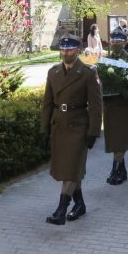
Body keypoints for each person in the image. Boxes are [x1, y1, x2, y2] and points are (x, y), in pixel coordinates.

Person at [40, 35, 103, 224]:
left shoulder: (88, 73)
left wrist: (94, 131)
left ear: (78, 50)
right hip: (59, 125)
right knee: (68, 169)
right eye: (63, 49)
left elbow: (96, 105)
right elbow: (47, 103)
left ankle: (61, 211)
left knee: (72, 168)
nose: (65, 52)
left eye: (69, 49)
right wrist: (44, 128)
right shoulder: (53, 72)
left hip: (78, 126)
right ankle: (80, 204)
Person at [102, 27, 128, 184]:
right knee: (113, 138)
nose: (115, 44)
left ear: (125, 42)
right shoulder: (105, 60)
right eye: (113, 41)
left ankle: (115, 170)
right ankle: (122, 171)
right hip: (109, 104)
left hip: (125, 105)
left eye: (119, 41)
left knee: (121, 137)